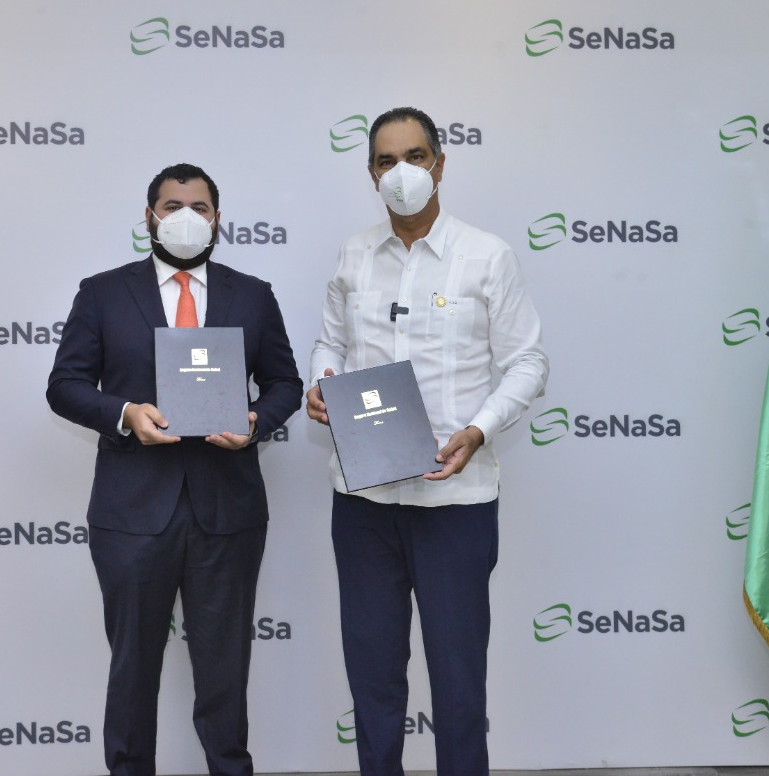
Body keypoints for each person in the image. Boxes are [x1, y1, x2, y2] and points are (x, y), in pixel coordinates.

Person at [306, 107, 549, 776]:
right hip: (364, 501)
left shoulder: (487, 255)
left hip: (455, 504)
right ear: (371, 175)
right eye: (387, 161)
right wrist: (322, 382)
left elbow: (528, 362)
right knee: (373, 681)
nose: (402, 172)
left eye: (415, 156)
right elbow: (330, 341)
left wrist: (480, 428)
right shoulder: (354, 254)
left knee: (458, 683)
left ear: (441, 164)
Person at [47, 162, 302, 776]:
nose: (186, 217)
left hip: (228, 511)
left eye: (200, 208)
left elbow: (285, 384)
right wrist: (125, 412)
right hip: (132, 513)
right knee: (133, 669)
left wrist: (255, 422)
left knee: (225, 672)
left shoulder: (253, 294)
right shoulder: (103, 293)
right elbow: (65, 386)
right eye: (172, 206)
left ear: (218, 220)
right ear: (149, 217)